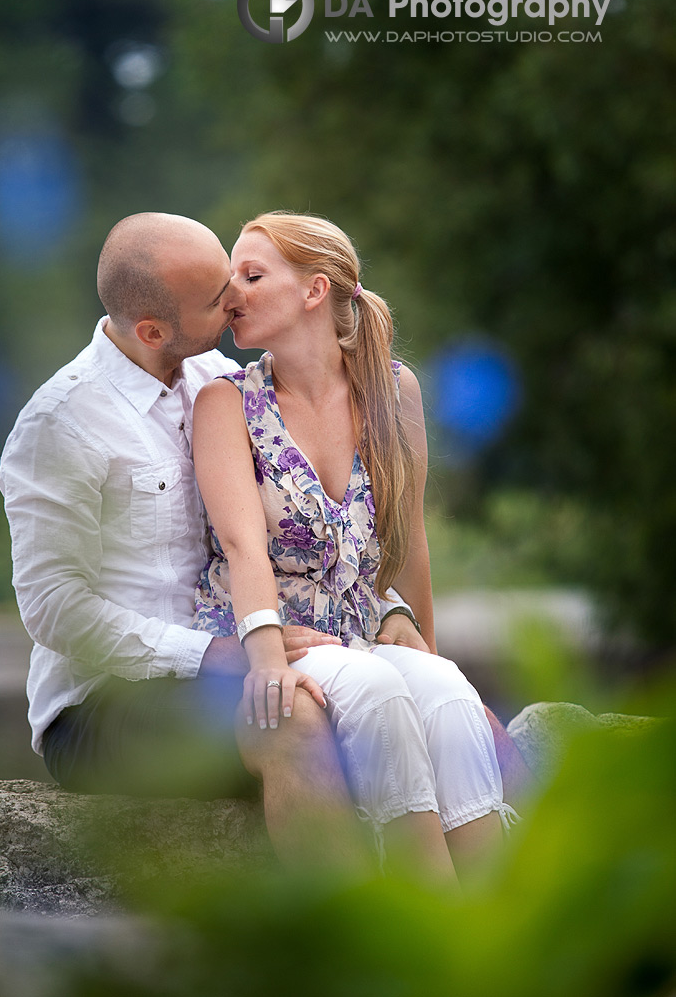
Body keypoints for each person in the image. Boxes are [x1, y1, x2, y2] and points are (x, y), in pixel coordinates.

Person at [0, 212, 374, 874]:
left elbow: (308, 515)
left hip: (231, 658)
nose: (236, 296)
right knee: (293, 719)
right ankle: (348, 951)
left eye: (233, 274)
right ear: (151, 331)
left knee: (388, 695)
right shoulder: (59, 424)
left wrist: (390, 608)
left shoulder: (216, 381)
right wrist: (213, 654)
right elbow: (52, 608)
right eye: (214, 297)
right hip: (102, 705)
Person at [192, 211, 518, 883]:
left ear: (314, 291)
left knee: (450, 698)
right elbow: (240, 544)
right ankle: (426, 926)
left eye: (252, 276)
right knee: (375, 691)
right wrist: (264, 663)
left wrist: (427, 652)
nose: (232, 296)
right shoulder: (225, 403)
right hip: (271, 637)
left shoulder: (393, 391)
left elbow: (408, 537)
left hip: (357, 634)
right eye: (230, 281)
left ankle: (502, 932)